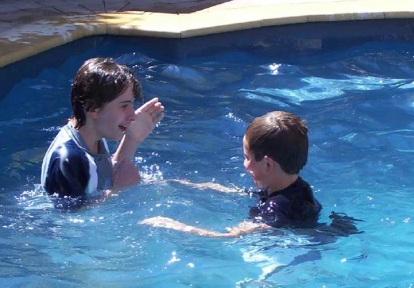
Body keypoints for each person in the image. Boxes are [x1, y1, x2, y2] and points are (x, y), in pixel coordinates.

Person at [141, 111, 342, 237]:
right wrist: (192, 186)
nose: (244, 164)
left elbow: (228, 236)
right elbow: (244, 193)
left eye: (247, 157)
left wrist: (174, 225)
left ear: (267, 164)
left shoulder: (276, 209)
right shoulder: (294, 187)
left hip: (284, 253)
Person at [41, 57, 165, 209]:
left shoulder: (93, 136)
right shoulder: (68, 159)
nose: (132, 115)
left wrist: (131, 140)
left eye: (131, 105)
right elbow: (69, 220)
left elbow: (103, 179)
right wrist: (116, 191)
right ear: (93, 108)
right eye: (124, 106)